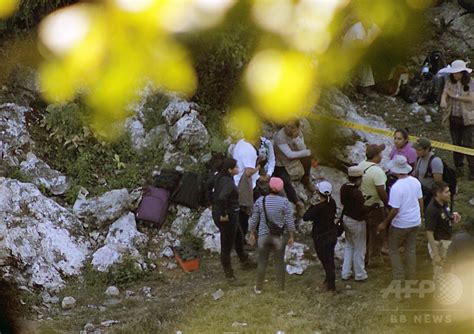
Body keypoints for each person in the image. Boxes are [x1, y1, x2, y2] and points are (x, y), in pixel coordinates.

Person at [377, 155, 423, 281]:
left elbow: (395, 210)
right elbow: (420, 201)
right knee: (410, 249)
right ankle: (412, 275)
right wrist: (420, 216)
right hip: (415, 221)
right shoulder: (415, 182)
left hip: (401, 223)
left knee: (393, 249)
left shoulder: (396, 188)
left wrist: (385, 223)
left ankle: (399, 276)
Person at [248, 177, 296, 294]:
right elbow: (289, 220)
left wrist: (251, 232)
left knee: (262, 262)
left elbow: (254, 219)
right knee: (279, 262)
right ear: (280, 190)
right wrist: (291, 235)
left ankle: (259, 288)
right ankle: (281, 289)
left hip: (263, 236)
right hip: (278, 237)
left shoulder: (261, 201)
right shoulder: (284, 202)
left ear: (269, 187)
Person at [211, 157, 254, 285]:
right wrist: (224, 213)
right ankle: (229, 276)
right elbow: (223, 197)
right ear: (230, 170)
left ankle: (244, 260)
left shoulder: (219, 177)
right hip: (227, 217)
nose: (238, 169)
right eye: (235, 167)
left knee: (238, 236)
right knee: (226, 245)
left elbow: (208, 187)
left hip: (225, 213)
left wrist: (211, 203)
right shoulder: (228, 183)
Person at [439, 59, 474, 179]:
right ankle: (459, 168)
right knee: (456, 144)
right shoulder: (449, 82)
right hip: (453, 117)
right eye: (454, 73)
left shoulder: (470, 82)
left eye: (458, 72)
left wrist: (454, 96)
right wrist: (443, 100)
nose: (456, 75)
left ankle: (472, 169)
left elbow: (471, 99)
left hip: (468, 119)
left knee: (468, 144)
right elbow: (445, 92)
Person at [273, 119, 314, 216]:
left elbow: (302, 148)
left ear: (297, 128)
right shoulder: (280, 137)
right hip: (281, 162)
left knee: (307, 159)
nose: (289, 129)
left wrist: (297, 139)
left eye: (292, 127)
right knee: (285, 181)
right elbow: (289, 154)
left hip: (293, 158)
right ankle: (297, 203)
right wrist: (308, 152)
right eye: (288, 126)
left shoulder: (298, 133)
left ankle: (306, 179)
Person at [303, 181, 338, 292]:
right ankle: (329, 280)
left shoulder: (318, 207)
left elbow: (306, 217)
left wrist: (312, 204)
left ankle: (331, 285)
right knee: (330, 259)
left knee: (325, 261)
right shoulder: (331, 202)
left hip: (320, 237)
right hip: (331, 234)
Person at [356, 143, 388, 266]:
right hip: (375, 206)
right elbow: (381, 190)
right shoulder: (377, 171)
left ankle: (364, 257)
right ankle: (374, 258)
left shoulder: (360, 166)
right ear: (376, 156)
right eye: (380, 154)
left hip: (363, 205)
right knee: (377, 233)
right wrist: (387, 204)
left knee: (365, 234)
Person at [340, 166, 371, 282]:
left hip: (346, 218)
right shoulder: (357, 193)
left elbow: (344, 202)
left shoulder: (344, 187)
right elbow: (361, 210)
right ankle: (360, 274)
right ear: (358, 179)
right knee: (359, 248)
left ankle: (345, 272)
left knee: (349, 246)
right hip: (357, 221)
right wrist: (372, 206)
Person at [425, 181, 461, 280]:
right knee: (440, 272)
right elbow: (429, 233)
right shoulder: (432, 210)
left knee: (450, 269)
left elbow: (445, 216)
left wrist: (453, 217)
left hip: (447, 240)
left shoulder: (444, 203)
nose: (449, 193)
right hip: (439, 243)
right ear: (438, 193)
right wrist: (436, 254)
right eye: (446, 192)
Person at [343, 20, 381, 97]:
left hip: (358, 53)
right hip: (348, 55)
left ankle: (375, 84)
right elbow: (361, 47)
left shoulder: (371, 25)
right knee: (365, 62)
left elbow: (380, 33)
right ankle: (364, 87)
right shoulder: (357, 30)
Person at [232, 137, 261, 238]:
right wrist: (258, 168)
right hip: (245, 186)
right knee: (251, 211)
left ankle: (242, 238)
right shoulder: (250, 150)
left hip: (236, 182)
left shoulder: (240, 142)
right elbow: (249, 172)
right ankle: (250, 236)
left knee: (241, 214)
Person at [413, 137, 443, 208]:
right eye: (416, 149)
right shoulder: (419, 158)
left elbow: (438, 183)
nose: (417, 151)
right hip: (420, 192)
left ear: (427, 149)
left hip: (430, 195)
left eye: (419, 149)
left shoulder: (435, 161)